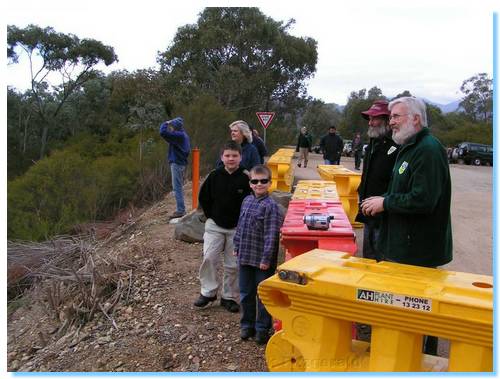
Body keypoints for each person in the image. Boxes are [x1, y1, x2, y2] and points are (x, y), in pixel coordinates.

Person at [360, 96, 452, 355]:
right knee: (404, 310)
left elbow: (424, 199)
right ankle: (405, 356)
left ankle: (419, 360)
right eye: (390, 117)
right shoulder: (409, 146)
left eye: (396, 117)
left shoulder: (428, 150)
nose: (391, 123)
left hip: (417, 252)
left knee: (418, 310)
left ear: (415, 118)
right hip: (402, 247)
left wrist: (385, 203)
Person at [194, 141, 252, 313]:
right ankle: (208, 292)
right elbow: (204, 198)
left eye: (234, 155)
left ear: (240, 157)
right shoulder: (214, 176)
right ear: (222, 157)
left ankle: (229, 297)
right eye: (227, 155)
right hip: (214, 225)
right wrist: (210, 217)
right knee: (209, 258)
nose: (231, 159)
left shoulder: (247, 177)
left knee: (233, 265)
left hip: (237, 228)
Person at [234, 164, 283, 345]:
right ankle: (247, 325)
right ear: (250, 183)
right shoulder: (246, 201)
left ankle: (262, 328)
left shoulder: (272, 207)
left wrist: (266, 259)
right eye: (255, 181)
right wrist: (236, 245)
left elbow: (271, 235)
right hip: (244, 256)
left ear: (270, 183)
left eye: (263, 181)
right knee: (246, 293)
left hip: (262, 260)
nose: (259, 184)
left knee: (262, 295)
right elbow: (240, 226)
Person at [355, 100, 399, 260]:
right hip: (368, 211)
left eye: (375, 119)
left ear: (387, 120)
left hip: (385, 215)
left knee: (382, 259)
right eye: (369, 119)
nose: (370, 123)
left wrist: (386, 202)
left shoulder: (397, 144)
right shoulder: (373, 143)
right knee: (368, 256)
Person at [159, 116, 191, 219]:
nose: (170, 128)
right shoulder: (183, 135)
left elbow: (162, 132)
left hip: (177, 163)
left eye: (172, 126)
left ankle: (180, 210)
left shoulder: (179, 135)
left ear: (175, 127)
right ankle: (180, 209)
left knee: (177, 187)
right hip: (180, 163)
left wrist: (166, 122)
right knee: (178, 187)